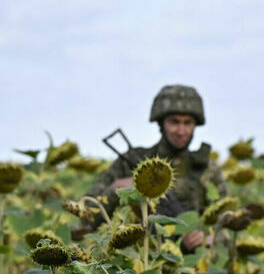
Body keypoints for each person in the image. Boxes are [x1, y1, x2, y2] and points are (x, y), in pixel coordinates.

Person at [83, 84, 228, 251]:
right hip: (136, 262)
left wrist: (210, 236)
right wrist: (116, 190)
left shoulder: (207, 170)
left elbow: (226, 224)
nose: (181, 131)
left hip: (188, 269)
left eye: (187, 123)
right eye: (174, 122)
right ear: (161, 123)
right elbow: (87, 219)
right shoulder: (131, 161)